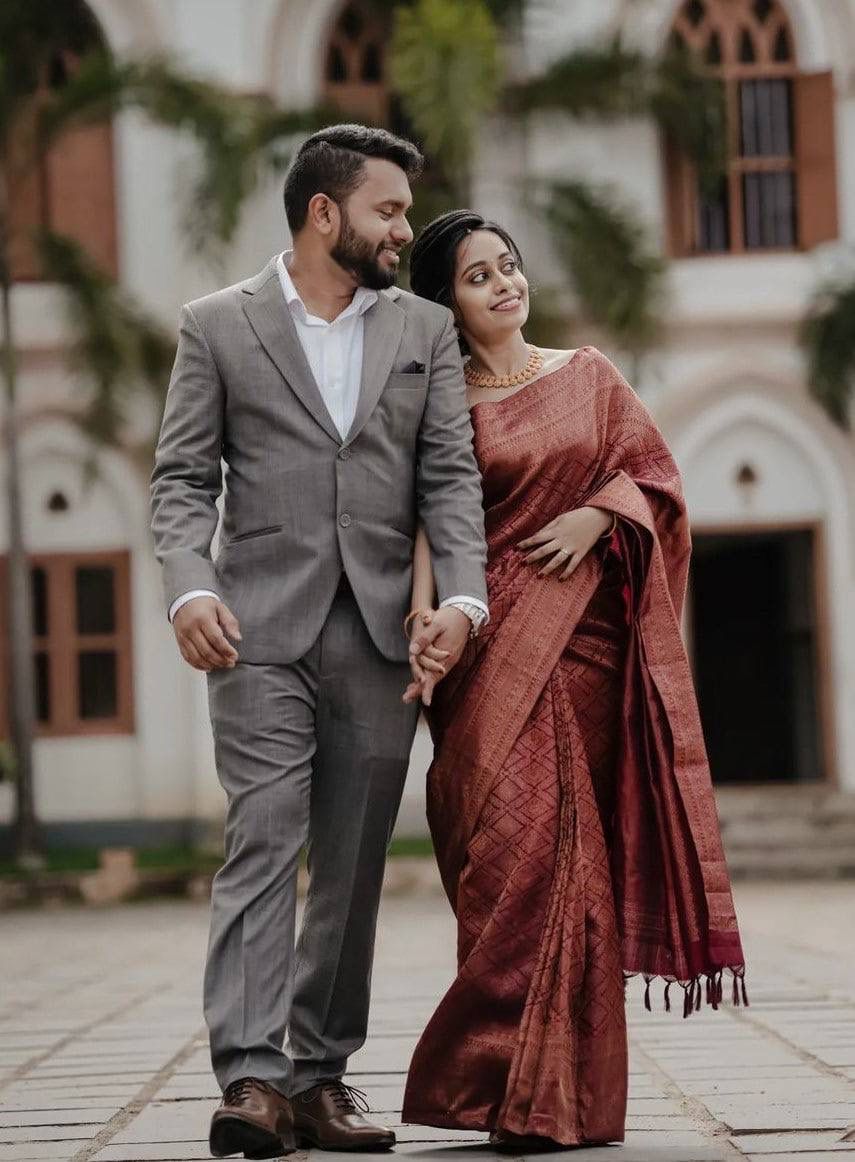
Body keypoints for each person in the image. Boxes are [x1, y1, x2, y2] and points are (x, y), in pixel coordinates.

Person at [150, 129, 489, 1159]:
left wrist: (463, 603)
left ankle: (319, 1075)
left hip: (382, 635)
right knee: (263, 840)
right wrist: (189, 589)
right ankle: (252, 1078)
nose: (404, 230)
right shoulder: (216, 326)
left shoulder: (424, 331)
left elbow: (449, 479)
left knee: (350, 862)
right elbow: (179, 484)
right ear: (324, 214)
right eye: (389, 211)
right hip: (255, 630)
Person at [400, 210, 747, 1152]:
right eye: (478, 277)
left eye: (508, 267)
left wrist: (600, 517)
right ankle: (493, 1081)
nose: (504, 285)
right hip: (488, 652)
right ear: (448, 303)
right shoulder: (442, 405)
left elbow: (656, 477)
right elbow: (429, 521)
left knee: (573, 867)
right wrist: (428, 618)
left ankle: (556, 1101)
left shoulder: (587, 376)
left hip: (588, 644)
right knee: (511, 863)